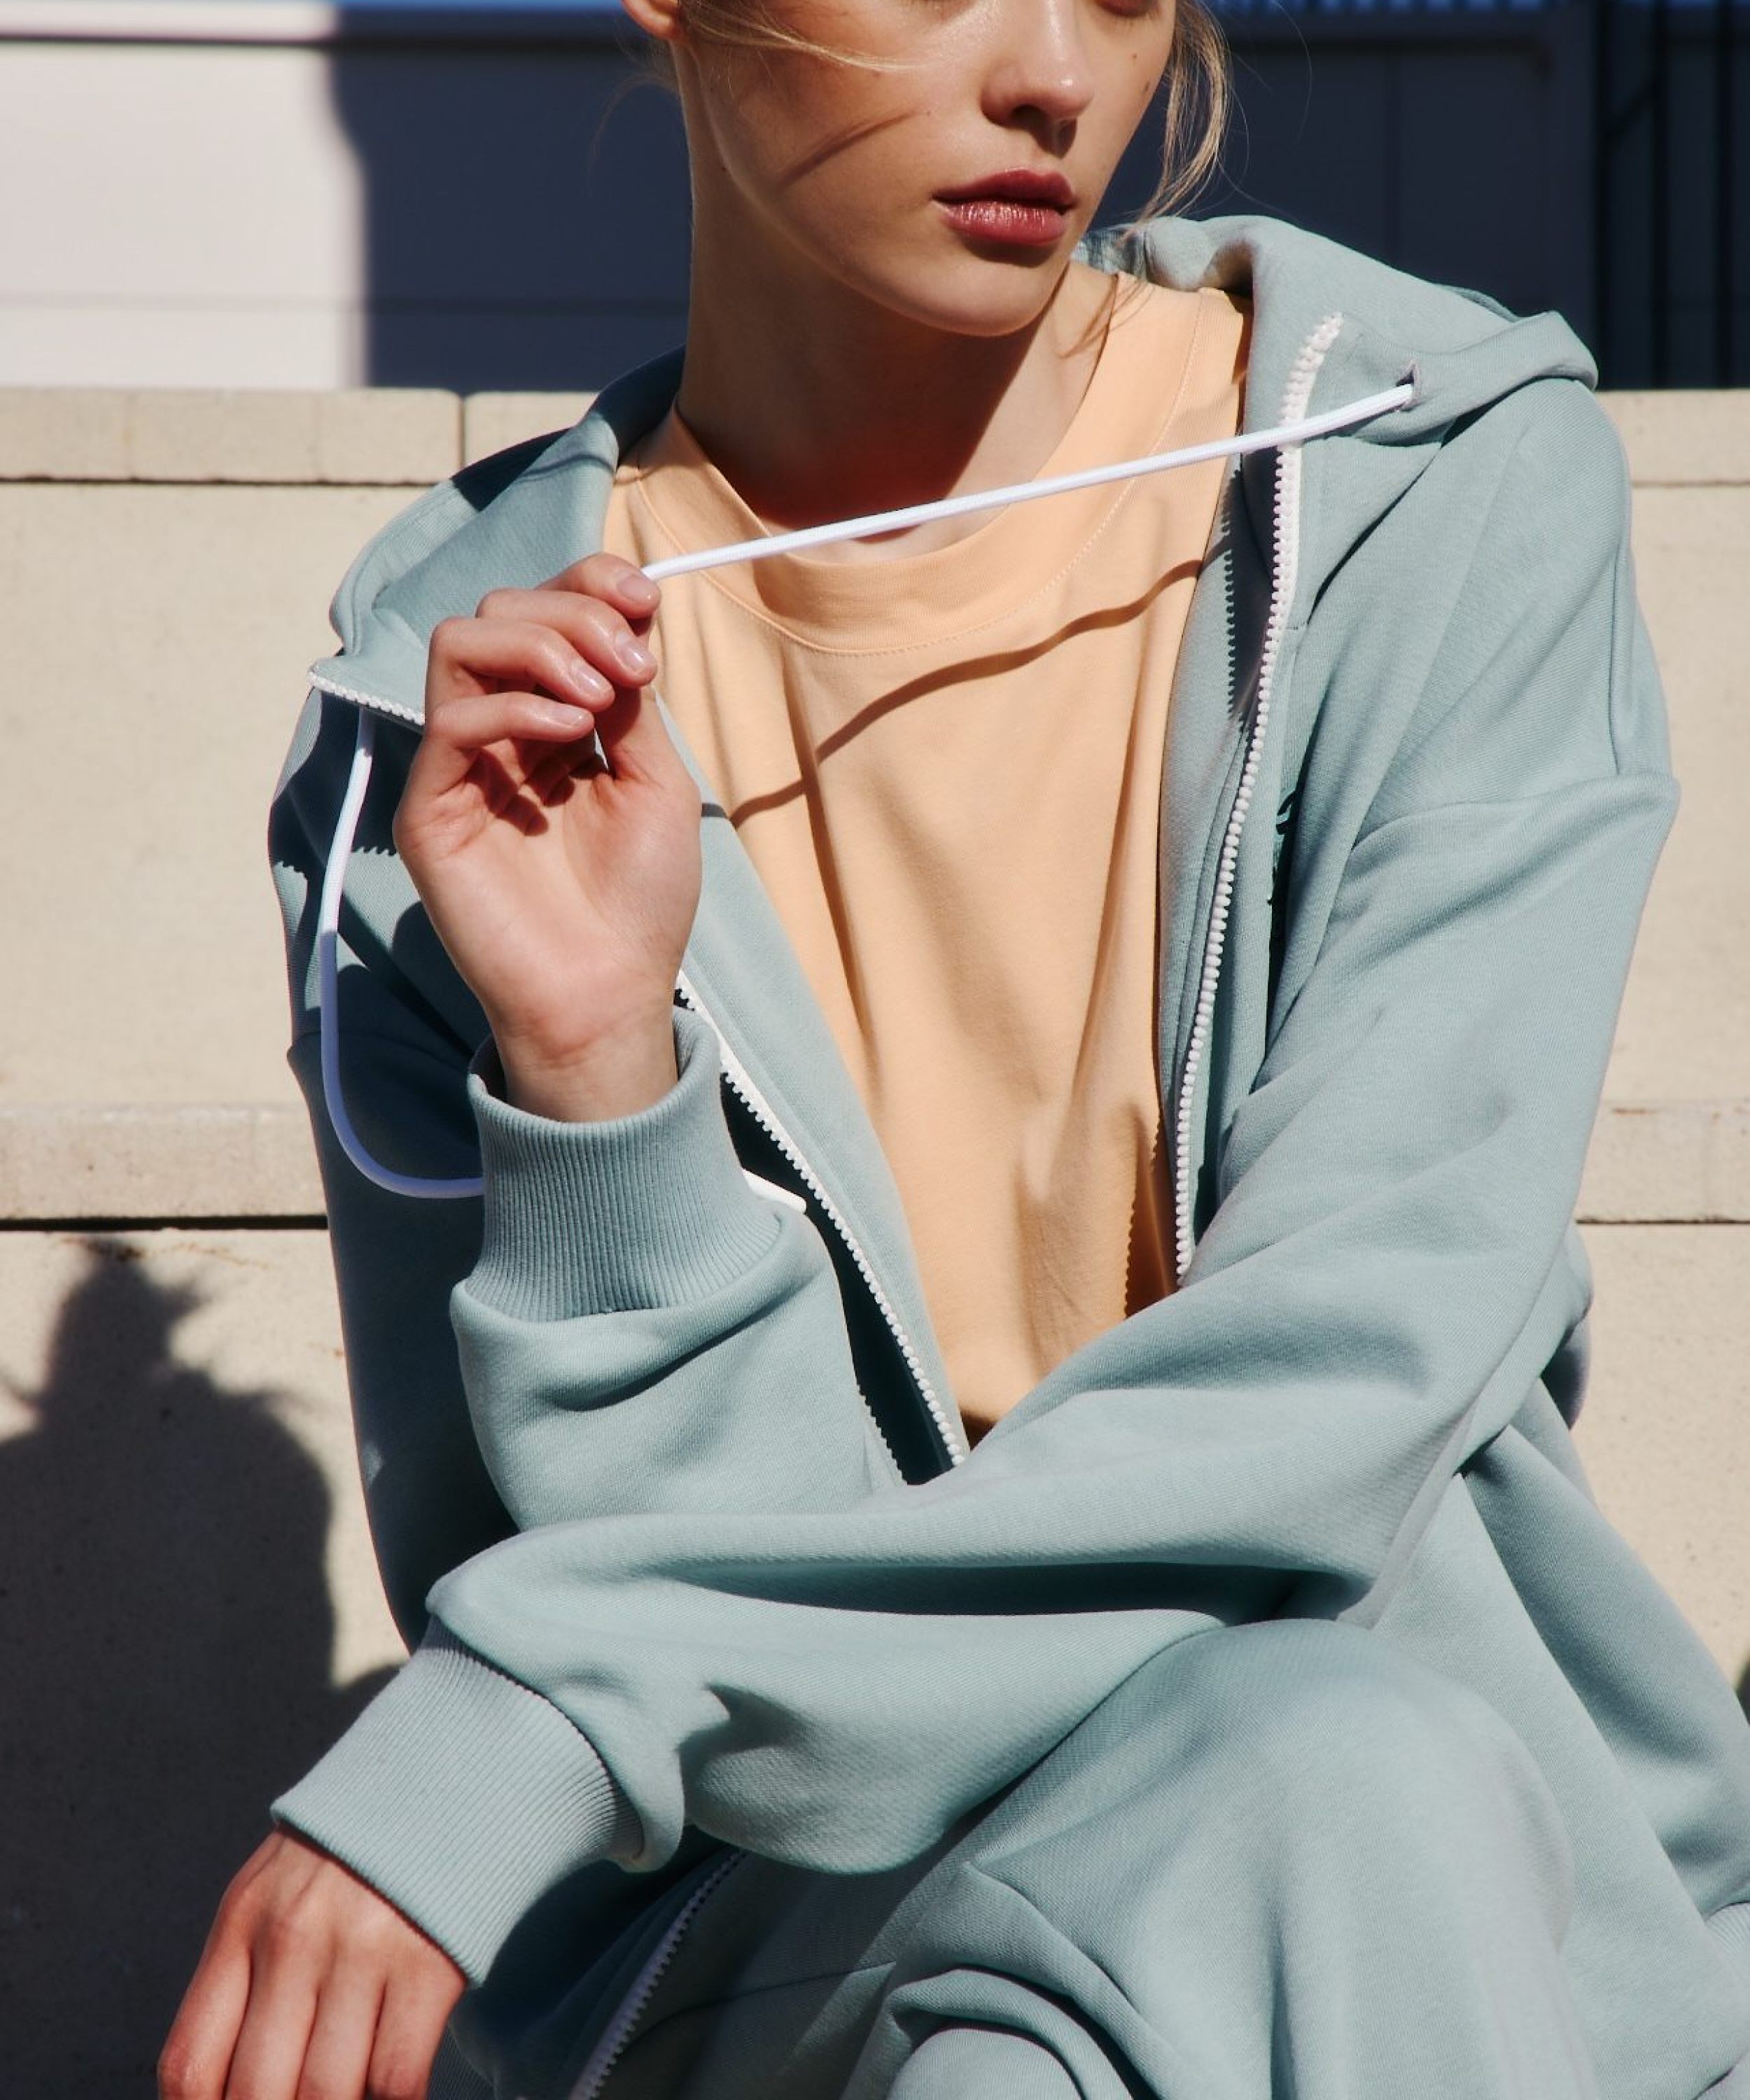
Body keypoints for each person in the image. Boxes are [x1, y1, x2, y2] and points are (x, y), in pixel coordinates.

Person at [160, 0, 1750, 2094]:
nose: (1052, 78)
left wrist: (558, 1688)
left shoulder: (1420, 486)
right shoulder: (447, 732)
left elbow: (1360, 1354)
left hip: (1406, 1854)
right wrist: (596, 1073)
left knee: (1307, 1778)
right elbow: (737, 1738)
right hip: (792, 1933)